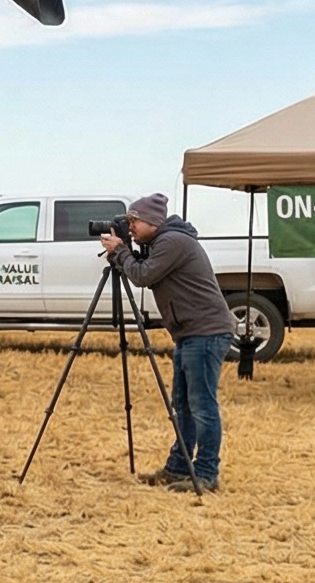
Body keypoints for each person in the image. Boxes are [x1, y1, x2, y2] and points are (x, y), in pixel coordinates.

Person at [100, 192, 238, 492]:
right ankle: (178, 468)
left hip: (205, 331)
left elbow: (143, 276)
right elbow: (144, 271)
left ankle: (206, 473)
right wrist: (123, 254)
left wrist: (121, 252)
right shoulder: (162, 243)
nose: (130, 226)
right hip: (191, 332)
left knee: (201, 406)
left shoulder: (172, 242)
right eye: (128, 220)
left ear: (153, 222)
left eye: (134, 220)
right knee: (184, 405)